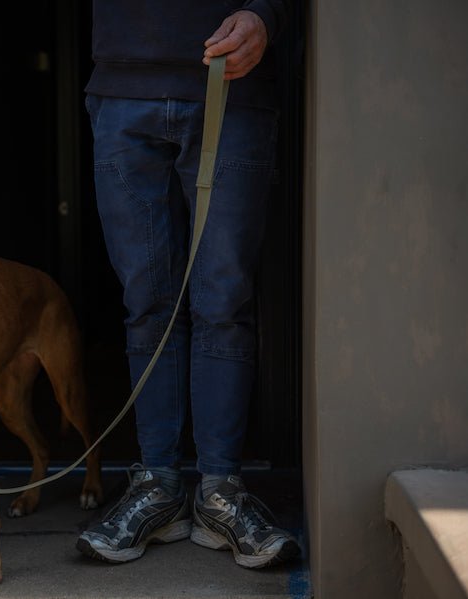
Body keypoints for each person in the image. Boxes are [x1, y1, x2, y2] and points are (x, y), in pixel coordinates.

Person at [76, 1, 300, 569]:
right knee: (146, 302)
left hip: (235, 85)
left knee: (223, 299)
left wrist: (266, 15)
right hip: (123, 89)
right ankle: (159, 489)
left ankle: (220, 492)